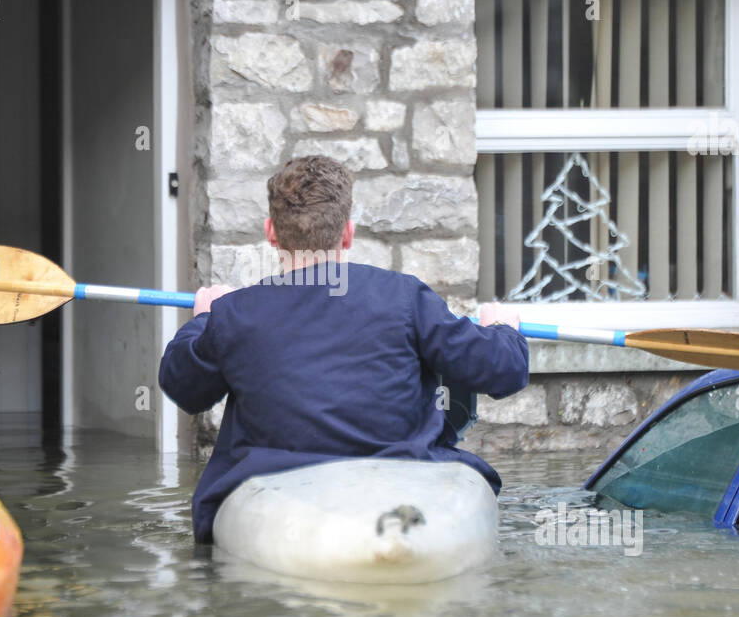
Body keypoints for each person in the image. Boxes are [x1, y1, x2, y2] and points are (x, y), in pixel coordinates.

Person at [159, 156, 530, 543]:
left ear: (271, 233)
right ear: (348, 234)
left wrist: (203, 317)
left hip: (272, 482)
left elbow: (183, 389)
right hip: (403, 472)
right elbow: (503, 372)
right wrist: (503, 328)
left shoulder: (234, 314)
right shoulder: (404, 298)